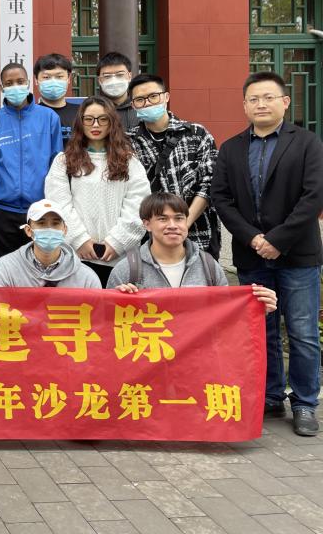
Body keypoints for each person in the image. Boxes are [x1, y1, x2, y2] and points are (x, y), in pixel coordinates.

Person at [211, 71, 323, 437]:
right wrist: (253, 238)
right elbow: (221, 198)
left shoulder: (307, 143)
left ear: (285, 102)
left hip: (297, 255)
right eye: (253, 99)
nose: (261, 104)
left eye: (268, 97)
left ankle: (304, 403)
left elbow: (313, 197)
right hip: (252, 255)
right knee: (262, 331)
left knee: (302, 332)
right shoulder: (231, 148)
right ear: (244, 105)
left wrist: (277, 239)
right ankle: (270, 395)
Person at [107, 193, 278, 314]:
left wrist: (255, 307)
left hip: (198, 354)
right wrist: (117, 301)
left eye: (179, 218)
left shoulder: (209, 266)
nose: (172, 225)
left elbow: (226, 314)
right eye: (162, 219)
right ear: (147, 224)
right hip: (150, 351)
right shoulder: (127, 269)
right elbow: (108, 322)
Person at [44, 96, 150, 285]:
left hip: (120, 259)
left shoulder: (129, 161)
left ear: (112, 122)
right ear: (80, 122)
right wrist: (79, 240)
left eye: (103, 119)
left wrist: (117, 242)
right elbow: (59, 205)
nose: (95, 124)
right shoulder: (63, 161)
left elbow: (138, 206)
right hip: (76, 257)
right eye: (89, 119)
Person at [0, 62, 63, 262]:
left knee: (41, 268)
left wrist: (53, 206)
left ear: (28, 83)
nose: (15, 86)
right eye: (9, 83)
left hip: (41, 212)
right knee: (5, 269)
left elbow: (57, 164)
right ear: (2, 87)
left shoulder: (49, 118)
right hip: (2, 212)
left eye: (20, 81)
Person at [127, 74, 220, 257]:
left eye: (153, 96)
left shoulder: (196, 134)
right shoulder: (128, 142)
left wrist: (183, 222)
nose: (147, 103)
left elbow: (209, 183)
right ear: (133, 105)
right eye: (140, 99)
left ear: (166, 97)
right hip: (148, 238)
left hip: (198, 234)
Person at [0, 199, 101, 288]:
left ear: (65, 230)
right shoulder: (5, 269)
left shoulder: (87, 278)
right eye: (41, 223)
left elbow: (97, 311)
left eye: (55, 223)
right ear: (28, 230)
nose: (49, 229)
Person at [34, 53, 80, 142]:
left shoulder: (81, 112)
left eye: (59, 76)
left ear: (68, 79)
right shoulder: (30, 115)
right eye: (46, 77)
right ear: (36, 80)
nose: (53, 81)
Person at [95, 51, 139, 131]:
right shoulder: (93, 109)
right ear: (99, 80)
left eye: (120, 75)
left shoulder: (141, 107)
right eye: (107, 76)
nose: (114, 81)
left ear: (129, 76)